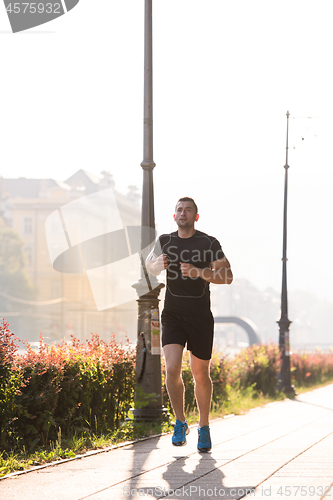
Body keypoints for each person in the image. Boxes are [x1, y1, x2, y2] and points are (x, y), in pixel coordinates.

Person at [146, 197, 233, 452]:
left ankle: (203, 427)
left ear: (196, 216)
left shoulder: (209, 243)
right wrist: (155, 264)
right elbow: (149, 266)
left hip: (200, 318)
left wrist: (199, 272)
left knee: (200, 374)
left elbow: (227, 276)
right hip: (172, 314)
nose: (183, 213)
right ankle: (180, 421)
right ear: (174, 216)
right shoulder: (165, 240)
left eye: (188, 210)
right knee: (171, 369)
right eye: (179, 210)